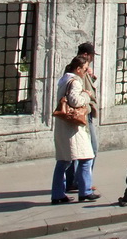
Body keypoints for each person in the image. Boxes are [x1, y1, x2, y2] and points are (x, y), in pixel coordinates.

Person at [50, 55, 99, 204]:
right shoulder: (75, 82)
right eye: (84, 69)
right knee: (87, 157)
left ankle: (58, 194)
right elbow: (75, 101)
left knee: (63, 161)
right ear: (78, 69)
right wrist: (86, 95)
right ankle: (85, 192)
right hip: (73, 128)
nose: (85, 72)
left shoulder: (64, 80)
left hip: (63, 126)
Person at [65, 42, 98, 193]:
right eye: (91, 56)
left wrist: (92, 78)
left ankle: (76, 181)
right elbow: (77, 95)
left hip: (84, 113)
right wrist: (87, 96)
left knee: (77, 150)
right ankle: (81, 183)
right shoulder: (78, 71)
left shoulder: (79, 70)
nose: (92, 59)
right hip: (82, 114)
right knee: (90, 149)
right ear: (86, 55)